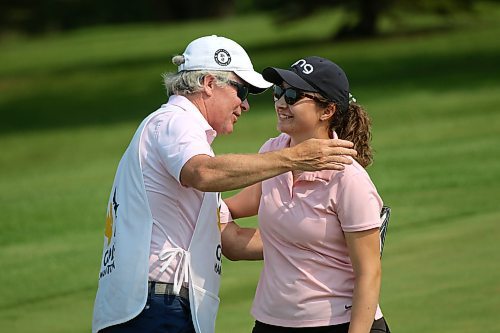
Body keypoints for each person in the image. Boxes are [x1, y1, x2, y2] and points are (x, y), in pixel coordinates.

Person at [92, 36, 358, 333]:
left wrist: (328, 243)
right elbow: (202, 173)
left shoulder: (186, 139)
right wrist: (295, 158)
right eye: (241, 90)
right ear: (208, 83)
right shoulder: (175, 122)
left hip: (159, 304)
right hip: (154, 305)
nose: (245, 104)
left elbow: (229, 239)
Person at [224, 56, 391, 333]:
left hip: (337, 323)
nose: (280, 102)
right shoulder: (273, 153)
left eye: (292, 95)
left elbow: (369, 274)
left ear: (327, 111)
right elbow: (229, 209)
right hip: (271, 323)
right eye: (278, 92)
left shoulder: (348, 178)